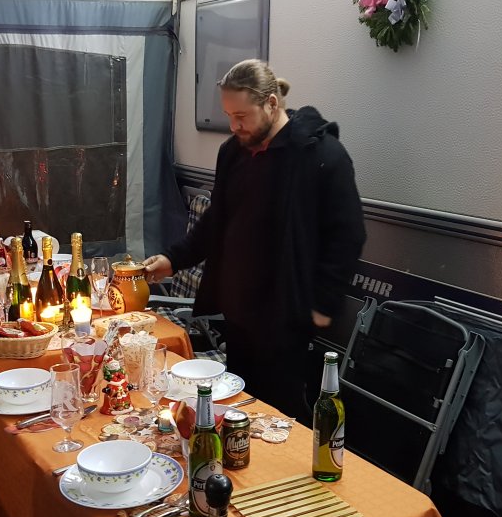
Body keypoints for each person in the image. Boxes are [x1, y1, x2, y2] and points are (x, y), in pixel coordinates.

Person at [144, 59, 365, 418]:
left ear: (271, 104)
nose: (234, 126)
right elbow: (216, 220)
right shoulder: (233, 153)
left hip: (286, 316)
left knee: (278, 416)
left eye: (241, 116)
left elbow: (348, 235)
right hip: (238, 313)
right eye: (228, 116)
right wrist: (174, 259)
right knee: (240, 406)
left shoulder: (321, 156)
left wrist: (323, 304)